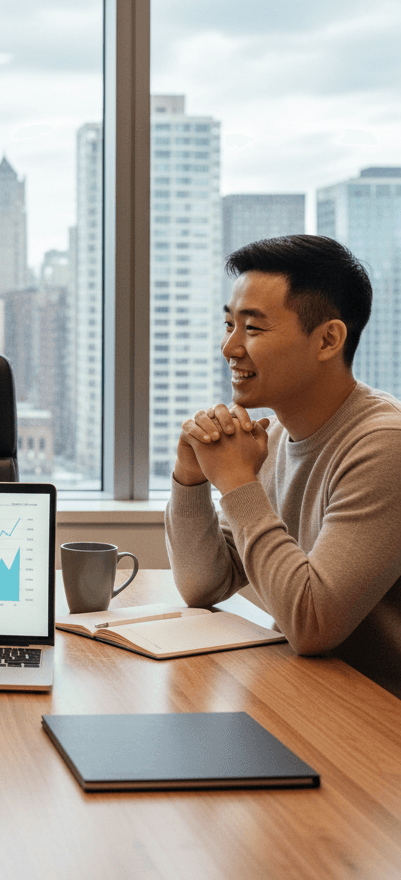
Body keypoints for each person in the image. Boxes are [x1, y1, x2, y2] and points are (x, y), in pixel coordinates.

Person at [166, 234, 401, 697]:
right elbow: (203, 585)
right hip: (308, 691)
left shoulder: (384, 447)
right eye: (229, 325)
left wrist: (235, 480)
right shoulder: (272, 438)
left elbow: (312, 624)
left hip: (377, 718)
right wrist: (190, 477)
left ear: (329, 339)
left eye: (252, 329)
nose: (229, 347)